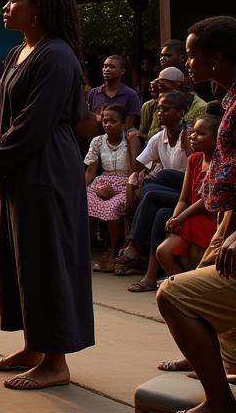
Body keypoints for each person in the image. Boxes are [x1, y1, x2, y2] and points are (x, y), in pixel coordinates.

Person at [0, 0, 92, 391]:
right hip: (21, 166)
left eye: (14, 0)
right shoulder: (18, 53)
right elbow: (6, 116)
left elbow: (36, 121)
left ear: (39, 8)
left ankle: (56, 360)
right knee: (20, 259)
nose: (6, 7)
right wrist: (1, 161)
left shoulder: (57, 56)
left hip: (47, 168)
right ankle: (33, 345)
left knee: (46, 261)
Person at [154, 17, 236, 413]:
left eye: (191, 53)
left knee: (174, 295)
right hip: (227, 216)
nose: (187, 61)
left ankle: (221, 407)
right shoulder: (229, 96)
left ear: (216, 58)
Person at [129, 113, 220, 293]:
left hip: (212, 217)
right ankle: (188, 291)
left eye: (201, 133)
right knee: (163, 251)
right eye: (193, 132)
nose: (193, 136)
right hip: (192, 216)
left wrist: (180, 218)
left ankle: (193, 291)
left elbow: (206, 200)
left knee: (154, 193)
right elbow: (184, 198)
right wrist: (175, 217)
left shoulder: (221, 163)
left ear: (218, 138)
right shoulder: (194, 159)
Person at [114, 91, 192, 276]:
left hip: (188, 193)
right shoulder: (159, 137)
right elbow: (138, 165)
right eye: (158, 109)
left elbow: (195, 170)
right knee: (159, 213)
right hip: (167, 194)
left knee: (159, 179)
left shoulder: (189, 136)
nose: (160, 112)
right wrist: (133, 146)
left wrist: (146, 181)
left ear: (180, 113)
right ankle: (151, 276)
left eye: (166, 109)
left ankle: (133, 245)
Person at [84, 104, 139, 268]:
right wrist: (82, 189)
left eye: (113, 121)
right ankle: (89, 248)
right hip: (102, 181)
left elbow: (134, 170)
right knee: (83, 200)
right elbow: (90, 171)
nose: (107, 124)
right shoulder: (98, 141)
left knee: (112, 207)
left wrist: (131, 144)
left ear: (123, 124)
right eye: (105, 121)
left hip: (125, 182)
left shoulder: (130, 139)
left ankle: (113, 249)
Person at [139, 65, 207, 138]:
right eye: (159, 89)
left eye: (164, 88)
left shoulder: (201, 107)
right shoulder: (159, 104)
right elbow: (144, 135)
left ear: (178, 86)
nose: (161, 93)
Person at [85, 54, 141, 128]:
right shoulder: (93, 93)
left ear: (122, 71)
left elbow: (129, 126)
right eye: (105, 66)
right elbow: (87, 119)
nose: (106, 69)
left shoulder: (131, 95)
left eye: (112, 67)